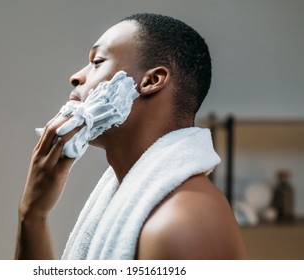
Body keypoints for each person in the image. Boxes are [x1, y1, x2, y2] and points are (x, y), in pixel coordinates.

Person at [15, 13, 247, 260]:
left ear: (150, 81)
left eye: (97, 61)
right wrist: (32, 214)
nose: (75, 76)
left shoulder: (183, 223)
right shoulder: (141, 202)